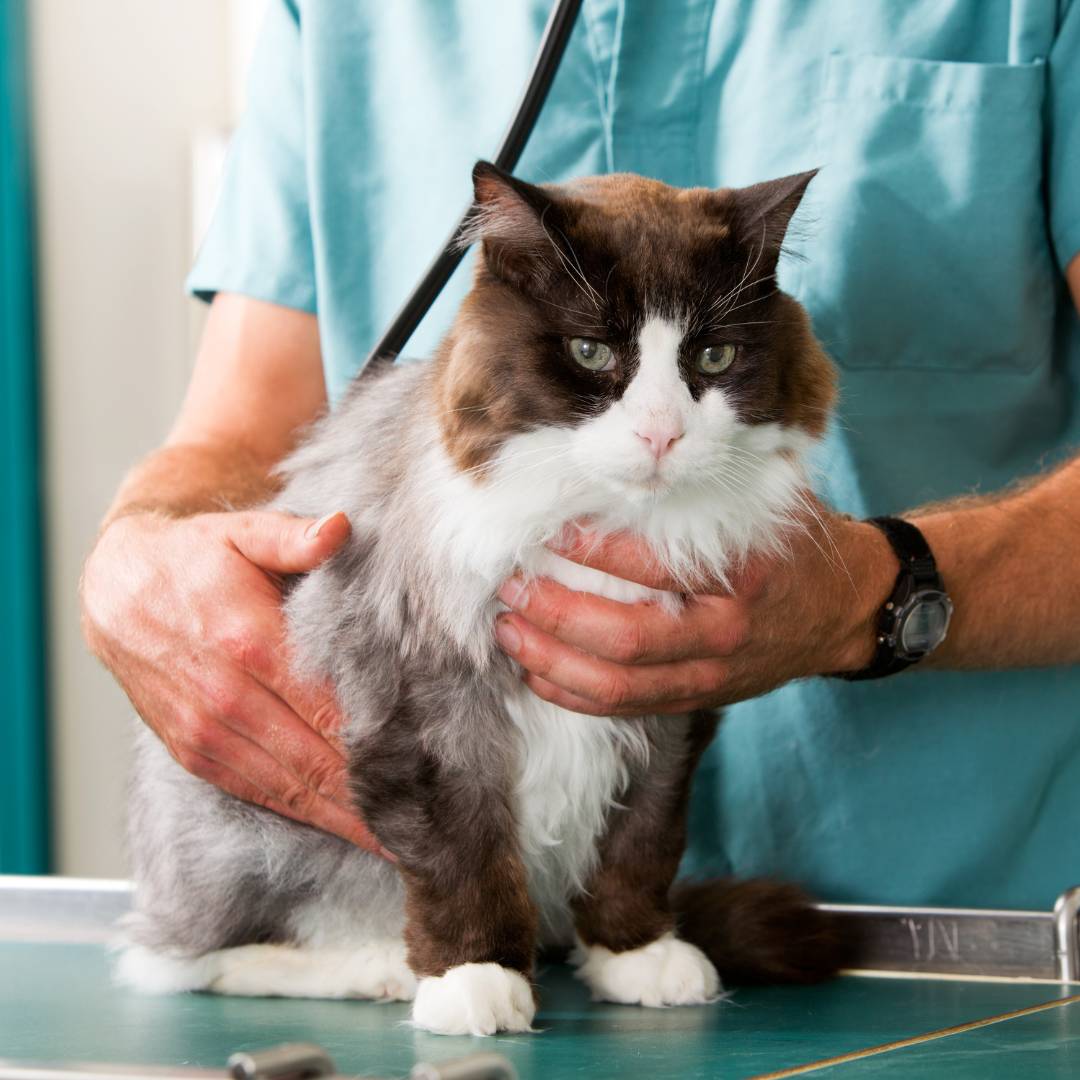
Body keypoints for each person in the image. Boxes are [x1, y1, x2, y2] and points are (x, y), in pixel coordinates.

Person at [82, 1, 1080, 910]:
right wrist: (138, 554)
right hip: (427, 927)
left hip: (948, 930)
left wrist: (877, 595)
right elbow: (237, 438)